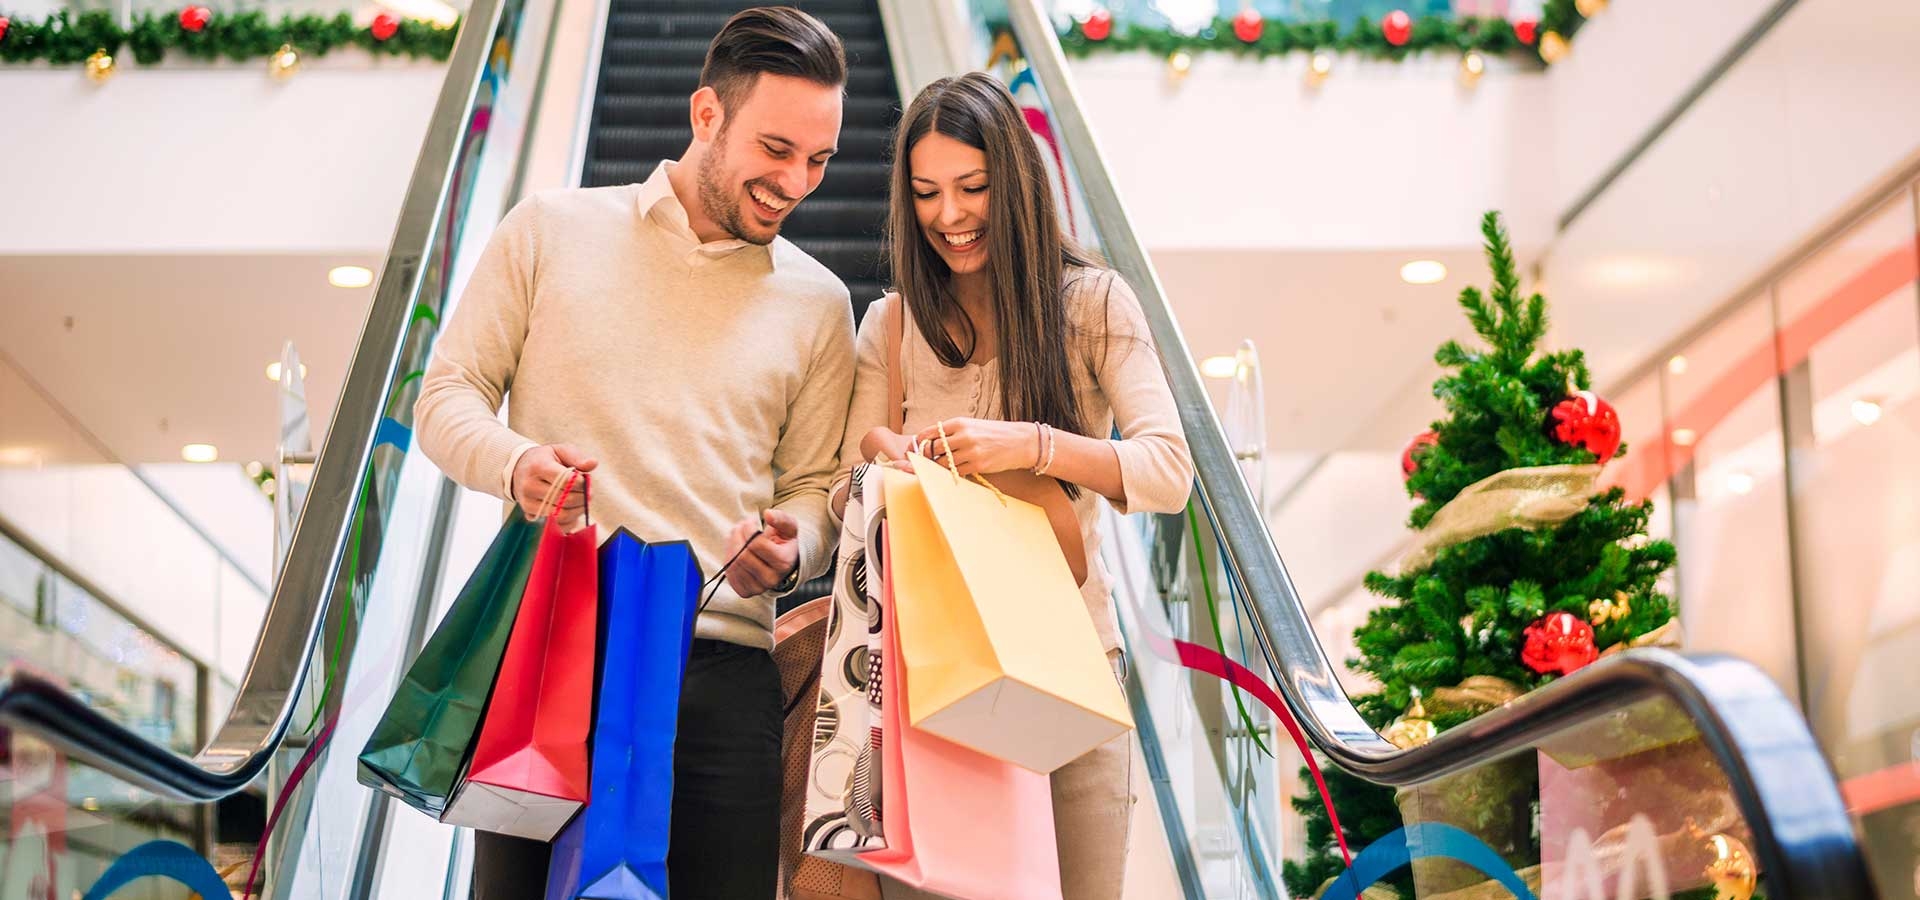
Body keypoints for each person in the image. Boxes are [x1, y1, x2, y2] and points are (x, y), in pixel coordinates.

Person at [413, 8, 855, 897]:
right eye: (775, 148)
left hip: (724, 671)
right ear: (705, 116)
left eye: (818, 160)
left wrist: (796, 544)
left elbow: (814, 488)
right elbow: (446, 397)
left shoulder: (820, 303)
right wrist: (515, 465)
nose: (795, 182)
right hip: (551, 655)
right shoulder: (547, 230)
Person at [831, 72, 1194, 899]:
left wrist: (1031, 445)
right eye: (926, 194)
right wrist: (884, 466)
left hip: (1068, 659)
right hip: (927, 671)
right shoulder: (890, 326)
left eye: (973, 188)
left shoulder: (1093, 304)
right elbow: (839, 494)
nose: (949, 216)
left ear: (1018, 183)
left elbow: (1168, 472)